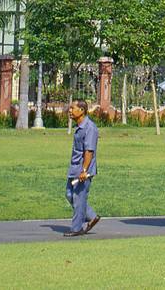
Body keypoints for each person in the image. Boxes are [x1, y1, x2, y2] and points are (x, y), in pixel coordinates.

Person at [64, 100, 101, 237]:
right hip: (74, 168)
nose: (70, 110)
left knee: (79, 198)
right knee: (69, 194)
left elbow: (89, 151)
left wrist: (84, 170)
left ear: (82, 110)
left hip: (83, 170)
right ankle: (91, 216)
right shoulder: (79, 127)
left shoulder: (90, 128)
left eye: (73, 108)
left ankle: (76, 228)